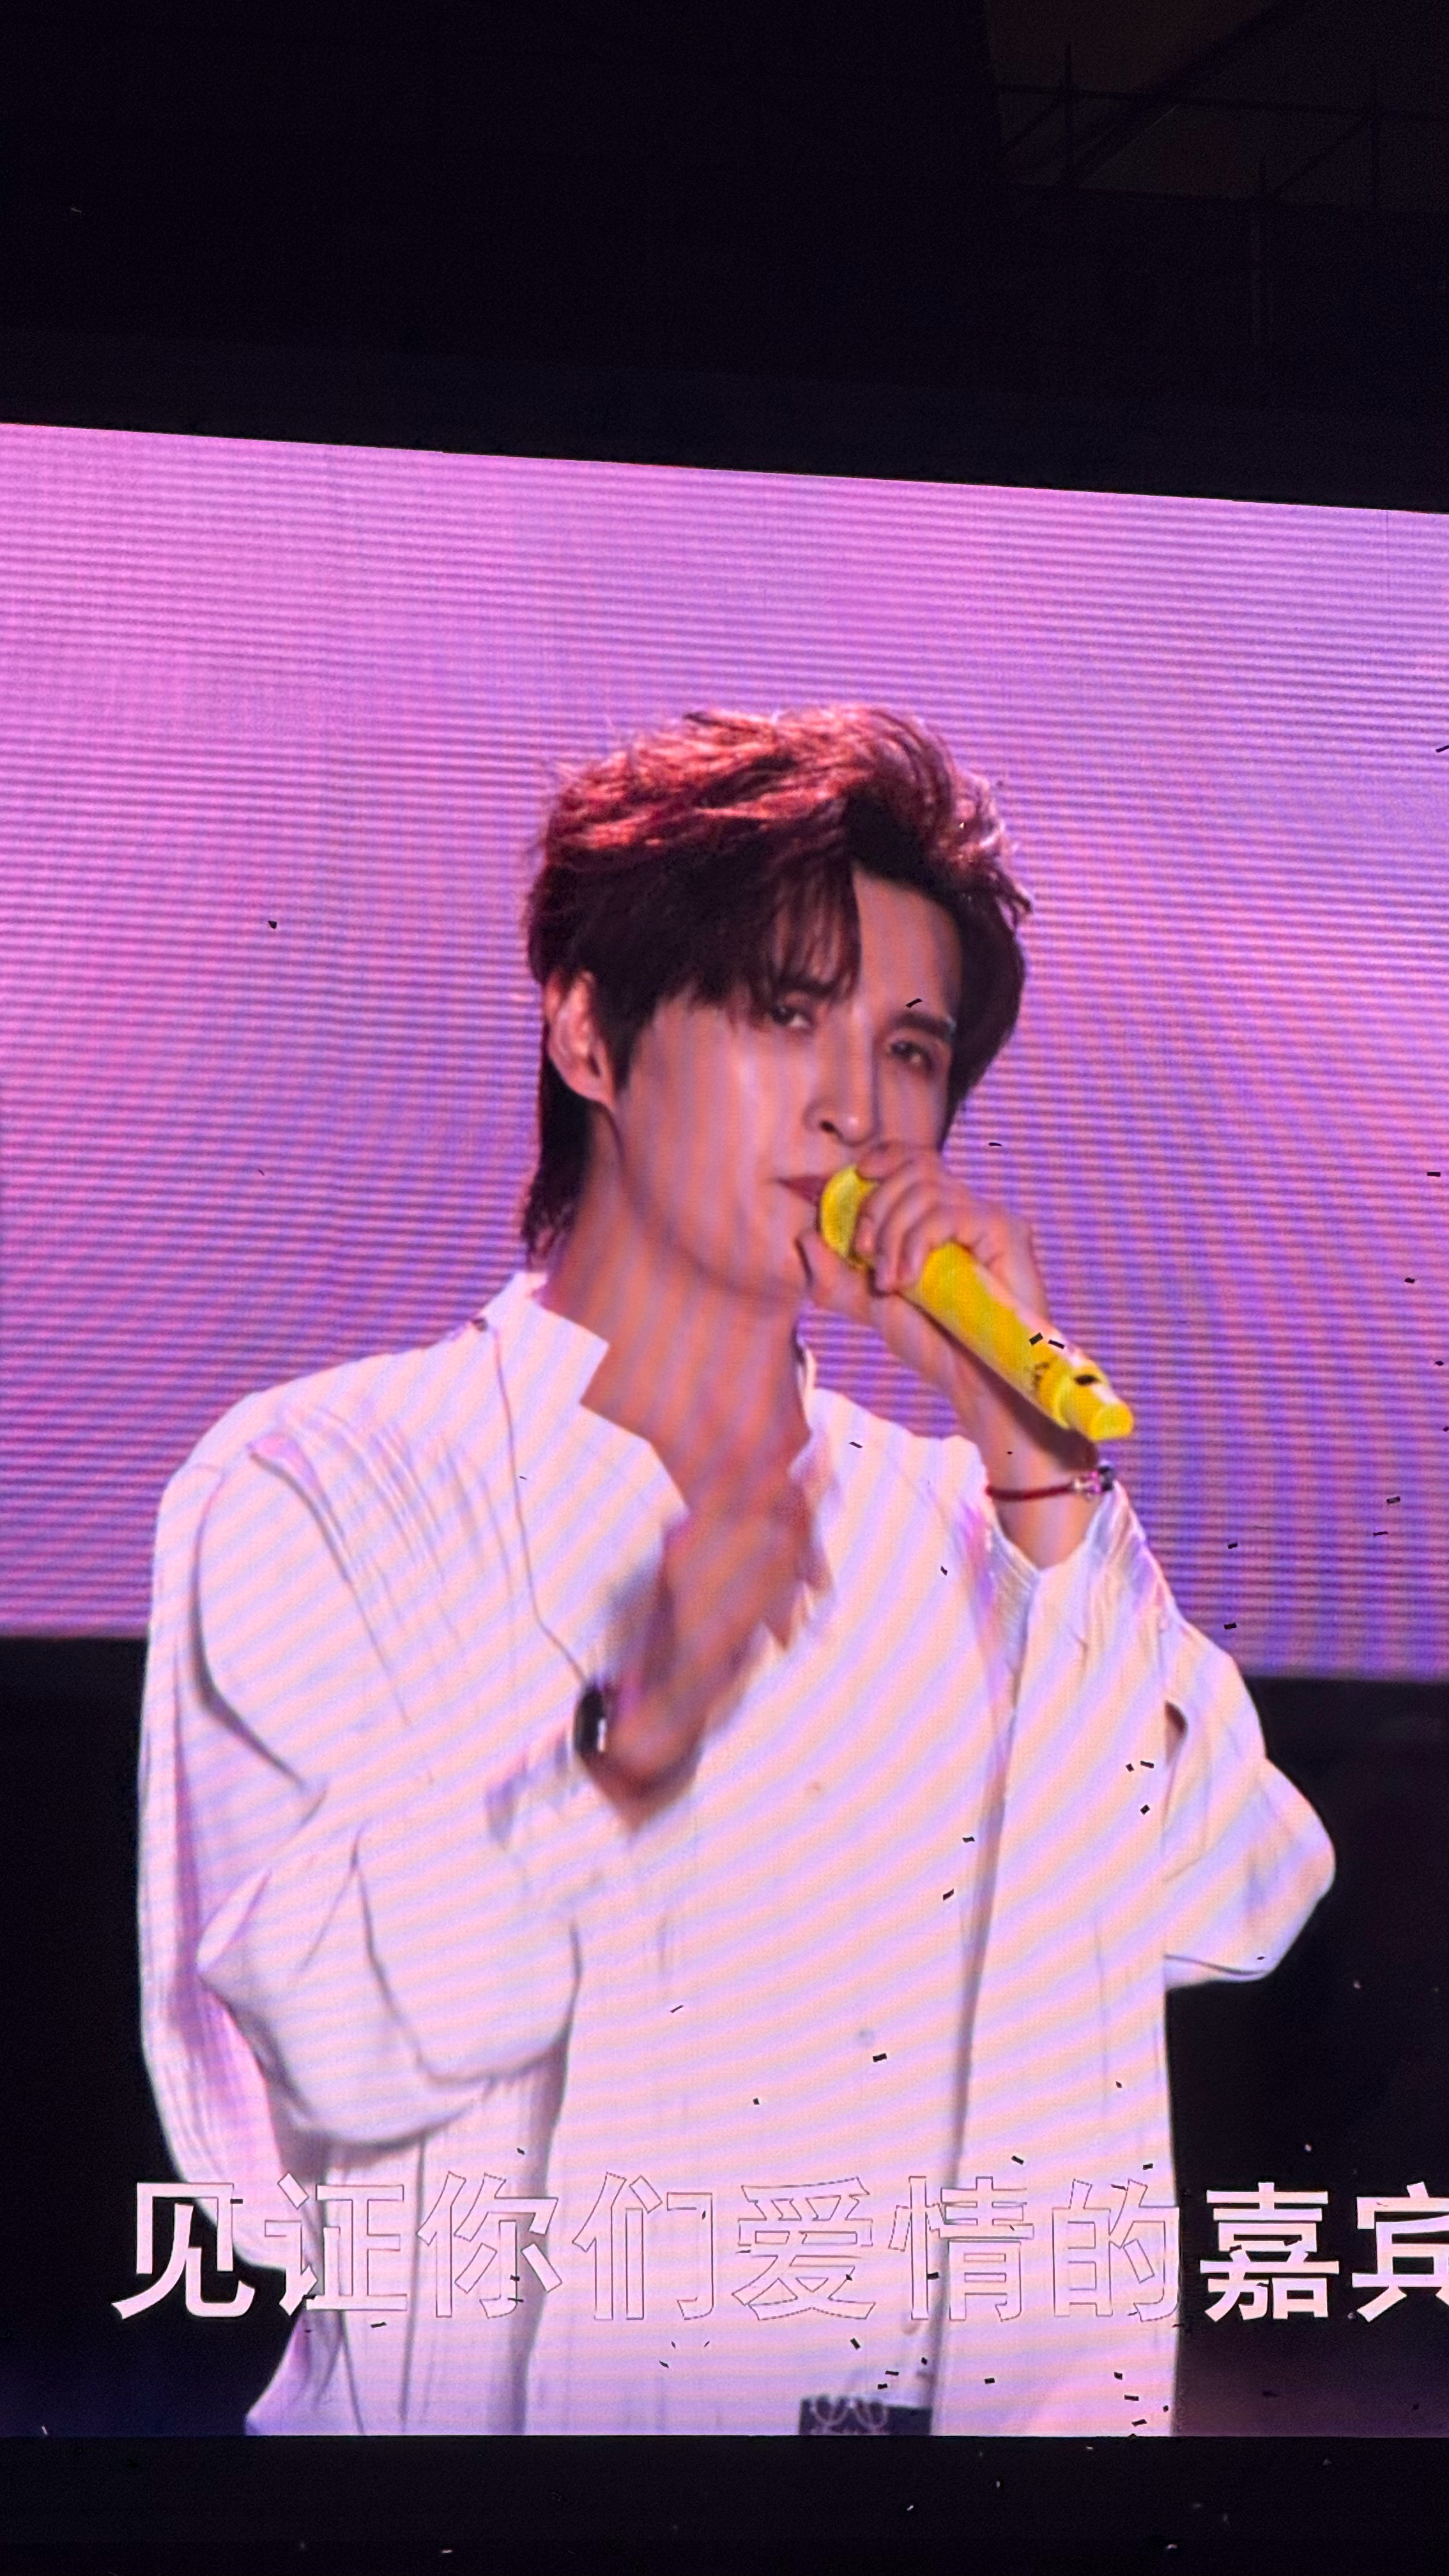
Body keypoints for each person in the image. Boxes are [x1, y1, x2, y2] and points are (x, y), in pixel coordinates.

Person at [137, 705, 1333, 2435]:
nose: (855, 1106)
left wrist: (1035, 1469)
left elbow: (1235, 1902)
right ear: (588, 1033)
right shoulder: (319, 1479)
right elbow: (288, 2098)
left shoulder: (976, 1528)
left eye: (908, 1047)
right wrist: (626, 1747)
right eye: (784, 1014)